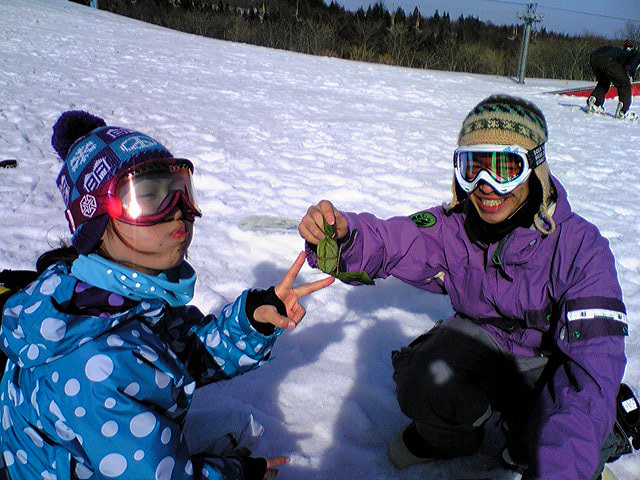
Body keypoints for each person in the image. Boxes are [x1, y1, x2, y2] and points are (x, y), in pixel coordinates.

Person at [298, 95, 629, 479]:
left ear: (535, 169)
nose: (486, 186)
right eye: (473, 168)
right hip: (484, 347)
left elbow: (588, 374)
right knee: (425, 380)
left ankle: (534, 437)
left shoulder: (582, 250)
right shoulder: (457, 226)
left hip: (549, 366)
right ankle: (450, 439)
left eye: (504, 168)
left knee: (577, 430)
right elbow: (395, 241)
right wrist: (344, 239)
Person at [0, 111, 334, 479]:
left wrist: (252, 320)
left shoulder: (119, 296)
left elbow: (184, 355)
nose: (178, 213)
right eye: (147, 198)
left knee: (243, 426)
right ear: (95, 221)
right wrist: (237, 472)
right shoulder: (97, 363)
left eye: (181, 192)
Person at [587, 39, 640, 119]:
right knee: (625, 84)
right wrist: (632, 72)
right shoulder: (635, 53)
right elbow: (634, 62)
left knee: (603, 83)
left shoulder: (619, 52)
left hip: (594, 56)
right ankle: (622, 112)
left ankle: (594, 103)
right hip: (608, 59)